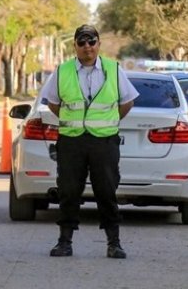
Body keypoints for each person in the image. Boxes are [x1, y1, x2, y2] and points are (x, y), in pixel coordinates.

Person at [41, 24, 139, 259]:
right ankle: (64, 242)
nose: (87, 47)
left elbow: (127, 102)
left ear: (98, 44)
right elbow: (53, 103)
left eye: (91, 41)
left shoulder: (113, 70)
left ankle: (113, 243)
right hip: (71, 141)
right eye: (82, 42)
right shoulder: (63, 71)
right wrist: (73, 120)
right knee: (68, 191)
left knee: (106, 192)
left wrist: (109, 120)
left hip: (103, 142)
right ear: (74, 45)